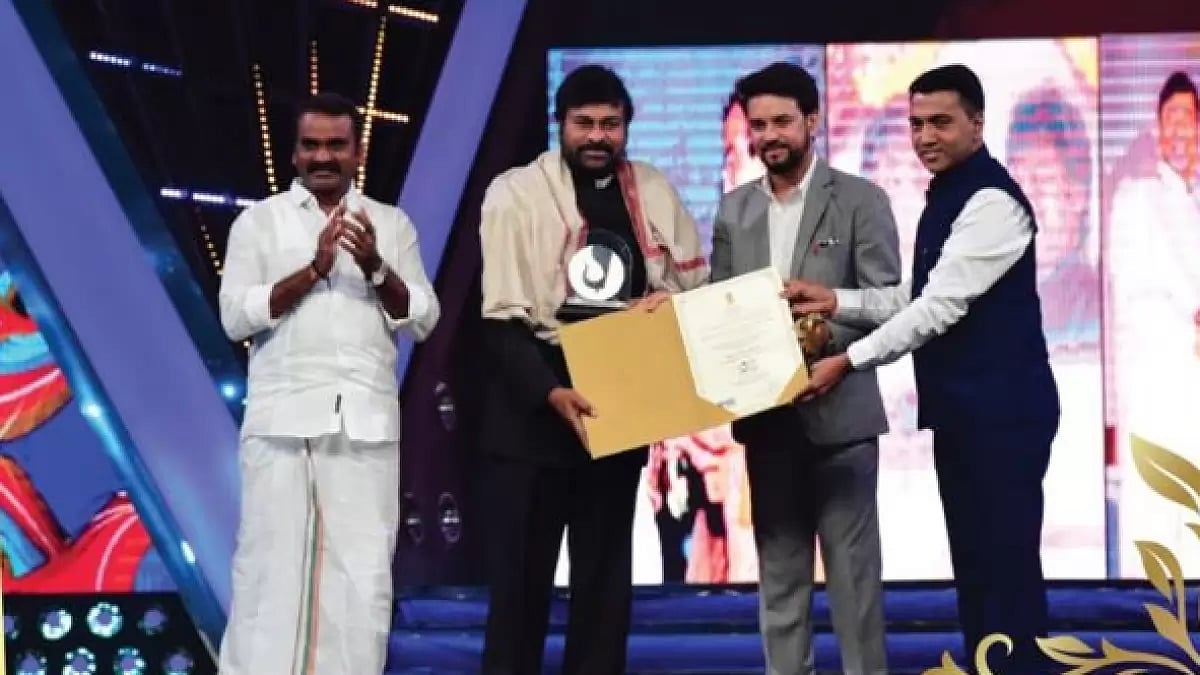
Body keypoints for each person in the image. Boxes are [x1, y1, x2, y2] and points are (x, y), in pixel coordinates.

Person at [787, 64, 1061, 672]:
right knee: (978, 573)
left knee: (1006, 575)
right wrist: (837, 301)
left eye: (940, 121)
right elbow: (919, 292)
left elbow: (939, 308)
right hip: (967, 416)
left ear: (977, 122)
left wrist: (847, 359)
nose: (924, 136)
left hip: (1005, 417)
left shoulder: (991, 199)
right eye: (915, 124)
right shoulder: (951, 191)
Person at [477, 64, 708, 674]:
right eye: (585, 123)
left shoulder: (654, 189)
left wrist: (671, 306)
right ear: (561, 126)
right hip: (534, 402)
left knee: (605, 588)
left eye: (611, 123)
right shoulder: (515, 193)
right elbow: (500, 322)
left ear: (627, 126)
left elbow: (696, 289)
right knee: (519, 593)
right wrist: (552, 392)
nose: (598, 136)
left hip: (618, 400)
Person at [216, 92, 440, 674]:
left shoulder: (390, 224)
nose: (323, 156)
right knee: (268, 578)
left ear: (356, 151)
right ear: (293, 153)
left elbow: (423, 315)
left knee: (360, 585)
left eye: (335, 145)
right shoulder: (257, 223)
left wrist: (375, 268)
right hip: (281, 427)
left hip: (364, 429)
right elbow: (236, 317)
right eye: (311, 144)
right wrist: (314, 270)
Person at [711, 62, 901, 675]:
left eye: (782, 122)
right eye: (758, 124)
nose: (769, 136)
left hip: (841, 420)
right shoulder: (733, 211)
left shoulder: (860, 199)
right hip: (767, 424)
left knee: (854, 591)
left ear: (812, 122)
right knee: (781, 589)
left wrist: (820, 341)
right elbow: (720, 310)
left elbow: (889, 305)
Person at [1107, 70, 1200, 575]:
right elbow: (1133, 291)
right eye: (1171, 119)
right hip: (1158, 385)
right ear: (1158, 130)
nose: (1180, 130)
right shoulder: (1135, 198)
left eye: (1189, 119)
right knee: (1157, 524)